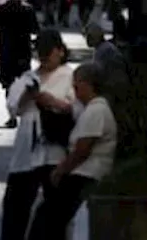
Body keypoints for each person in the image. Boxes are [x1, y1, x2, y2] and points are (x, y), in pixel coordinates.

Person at [0, 29, 74, 240]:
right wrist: (28, 96)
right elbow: (13, 107)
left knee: (53, 213)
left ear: (60, 51)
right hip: (26, 153)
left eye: (48, 53)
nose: (44, 58)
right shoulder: (28, 78)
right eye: (40, 53)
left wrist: (53, 103)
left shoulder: (70, 77)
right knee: (15, 209)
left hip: (55, 152)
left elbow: (77, 109)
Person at [30, 63, 117, 240]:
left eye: (77, 85)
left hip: (86, 176)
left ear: (87, 84)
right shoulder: (89, 109)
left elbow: (82, 150)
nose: (74, 89)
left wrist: (60, 170)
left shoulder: (97, 110)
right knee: (48, 218)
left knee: (48, 219)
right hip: (81, 174)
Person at [0, 0, 40, 127]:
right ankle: (23, 112)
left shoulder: (1, 9)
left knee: (8, 85)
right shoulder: (28, 9)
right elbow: (35, 29)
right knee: (24, 82)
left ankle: (12, 116)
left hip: (6, 50)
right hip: (23, 51)